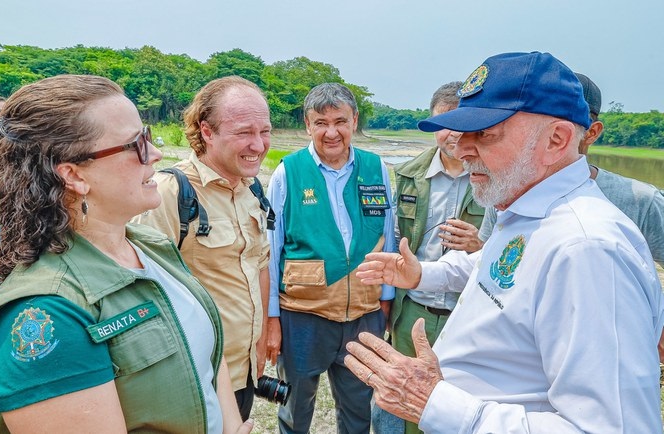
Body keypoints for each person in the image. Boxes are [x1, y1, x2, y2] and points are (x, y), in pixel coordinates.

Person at [346, 52, 664, 432]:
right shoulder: (524, 211)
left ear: (557, 139)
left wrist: (435, 402)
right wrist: (422, 275)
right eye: (462, 133)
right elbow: (495, 273)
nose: (463, 150)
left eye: (485, 133)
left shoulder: (587, 249)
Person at [0, 74, 252, 434]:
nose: (156, 153)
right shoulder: (48, 310)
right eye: (137, 144)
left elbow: (208, 355)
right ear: (74, 175)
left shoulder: (150, 246)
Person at [132, 75, 272, 421]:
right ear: (206, 132)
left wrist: (265, 333)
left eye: (265, 131)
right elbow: (139, 290)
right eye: (244, 132)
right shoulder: (170, 192)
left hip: (244, 371)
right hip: (196, 375)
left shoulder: (252, 190)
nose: (258, 145)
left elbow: (259, 265)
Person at [267, 82, 395, 433]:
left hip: (364, 316)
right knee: (295, 409)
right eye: (321, 122)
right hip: (303, 316)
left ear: (354, 120)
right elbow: (271, 249)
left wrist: (386, 300)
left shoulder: (376, 168)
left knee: (358, 411)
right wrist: (272, 317)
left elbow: (389, 234)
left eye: (340, 120)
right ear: (307, 125)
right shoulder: (287, 172)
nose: (331, 132)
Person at [374, 81, 485, 434]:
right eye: (442, 123)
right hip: (414, 310)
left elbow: (516, 247)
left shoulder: (494, 177)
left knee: (460, 407)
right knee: (405, 405)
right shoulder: (408, 174)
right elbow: (393, 239)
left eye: (460, 121)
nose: (451, 133)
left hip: (468, 315)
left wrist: (481, 245)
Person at [477, 72, 664, 266]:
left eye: (558, 126)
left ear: (592, 133)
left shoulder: (641, 201)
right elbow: (488, 259)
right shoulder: (508, 191)